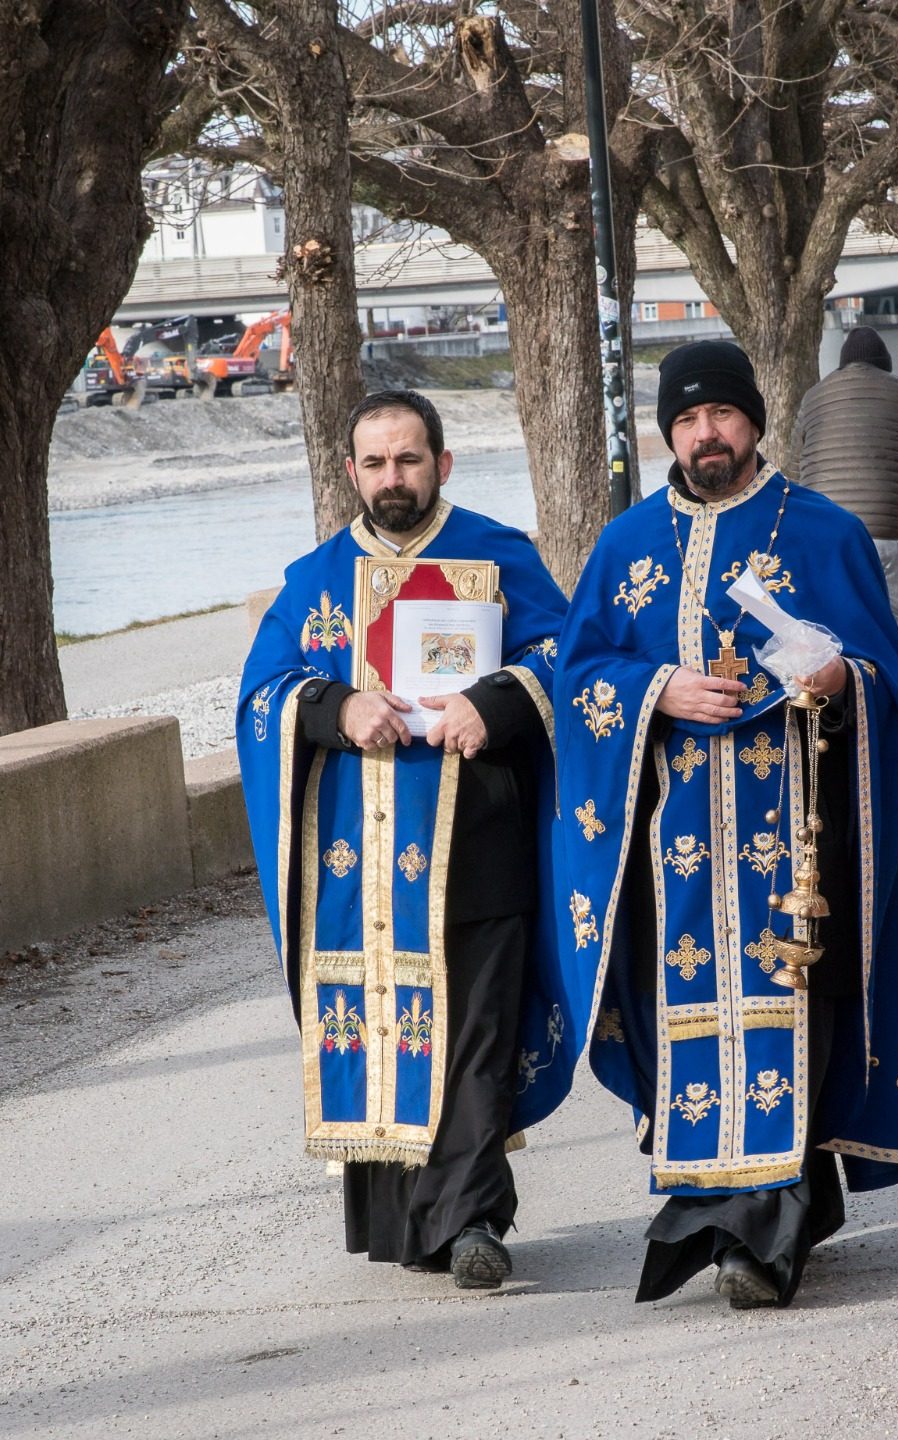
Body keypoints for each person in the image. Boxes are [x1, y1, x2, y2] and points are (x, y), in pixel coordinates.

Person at [555, 341, 898, 1309]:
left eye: (721, 416)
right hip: (668, 847)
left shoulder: (821, 533)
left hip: (797, 843)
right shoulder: (625, 545)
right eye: (687, 420)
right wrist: (655, 687)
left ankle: (766, 1231)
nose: (706, 435)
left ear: (755, 420)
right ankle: (713, 1204)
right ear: (666, 432)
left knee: (790, 1017)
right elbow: (578, 681)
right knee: (682, 1026)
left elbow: (885, 686)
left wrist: (837, 678)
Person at [237, 390, 573, 1290]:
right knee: (384, 1026)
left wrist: (491, 702)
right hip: (358, 861)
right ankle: (404, 1220)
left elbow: (565, 662)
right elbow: (264, 693)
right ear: (350, 471)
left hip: (478, 839)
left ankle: (471, 1221)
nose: (393, 479)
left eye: (410, 460)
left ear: (443, 464)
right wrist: (337, 705)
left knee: (475, 1029)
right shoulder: (314, 578)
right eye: (375, 463)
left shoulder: (499, 557)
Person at [791, 326, 898, 739]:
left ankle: (820, 725)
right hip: (886, 534)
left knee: (825, 632)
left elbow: (794, 474)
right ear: (886, 368)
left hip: (825, 543)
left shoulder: (812, 399)